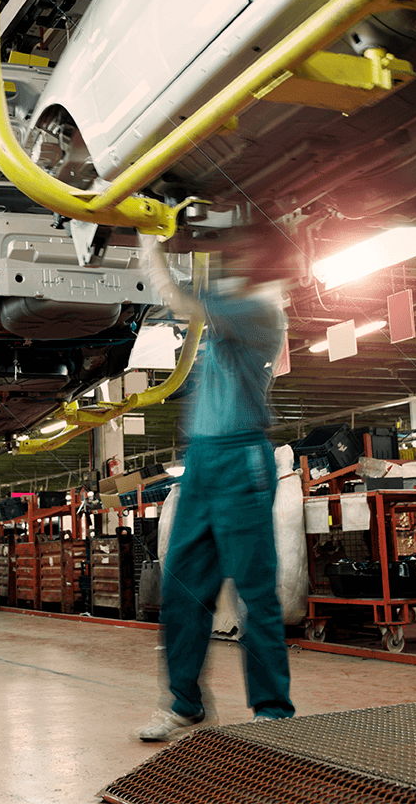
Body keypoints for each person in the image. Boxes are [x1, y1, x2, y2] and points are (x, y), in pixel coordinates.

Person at [137, 226, 297, 740]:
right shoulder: (230, 304)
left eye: (245, 250)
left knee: (254, 591)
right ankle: (185, 704)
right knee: (182, 589)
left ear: (264, 261)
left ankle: (272, 711)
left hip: (242, 459)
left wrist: (150, 247)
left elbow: (180, 298)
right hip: (202, 461)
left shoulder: (259, 309)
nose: (234, 257)